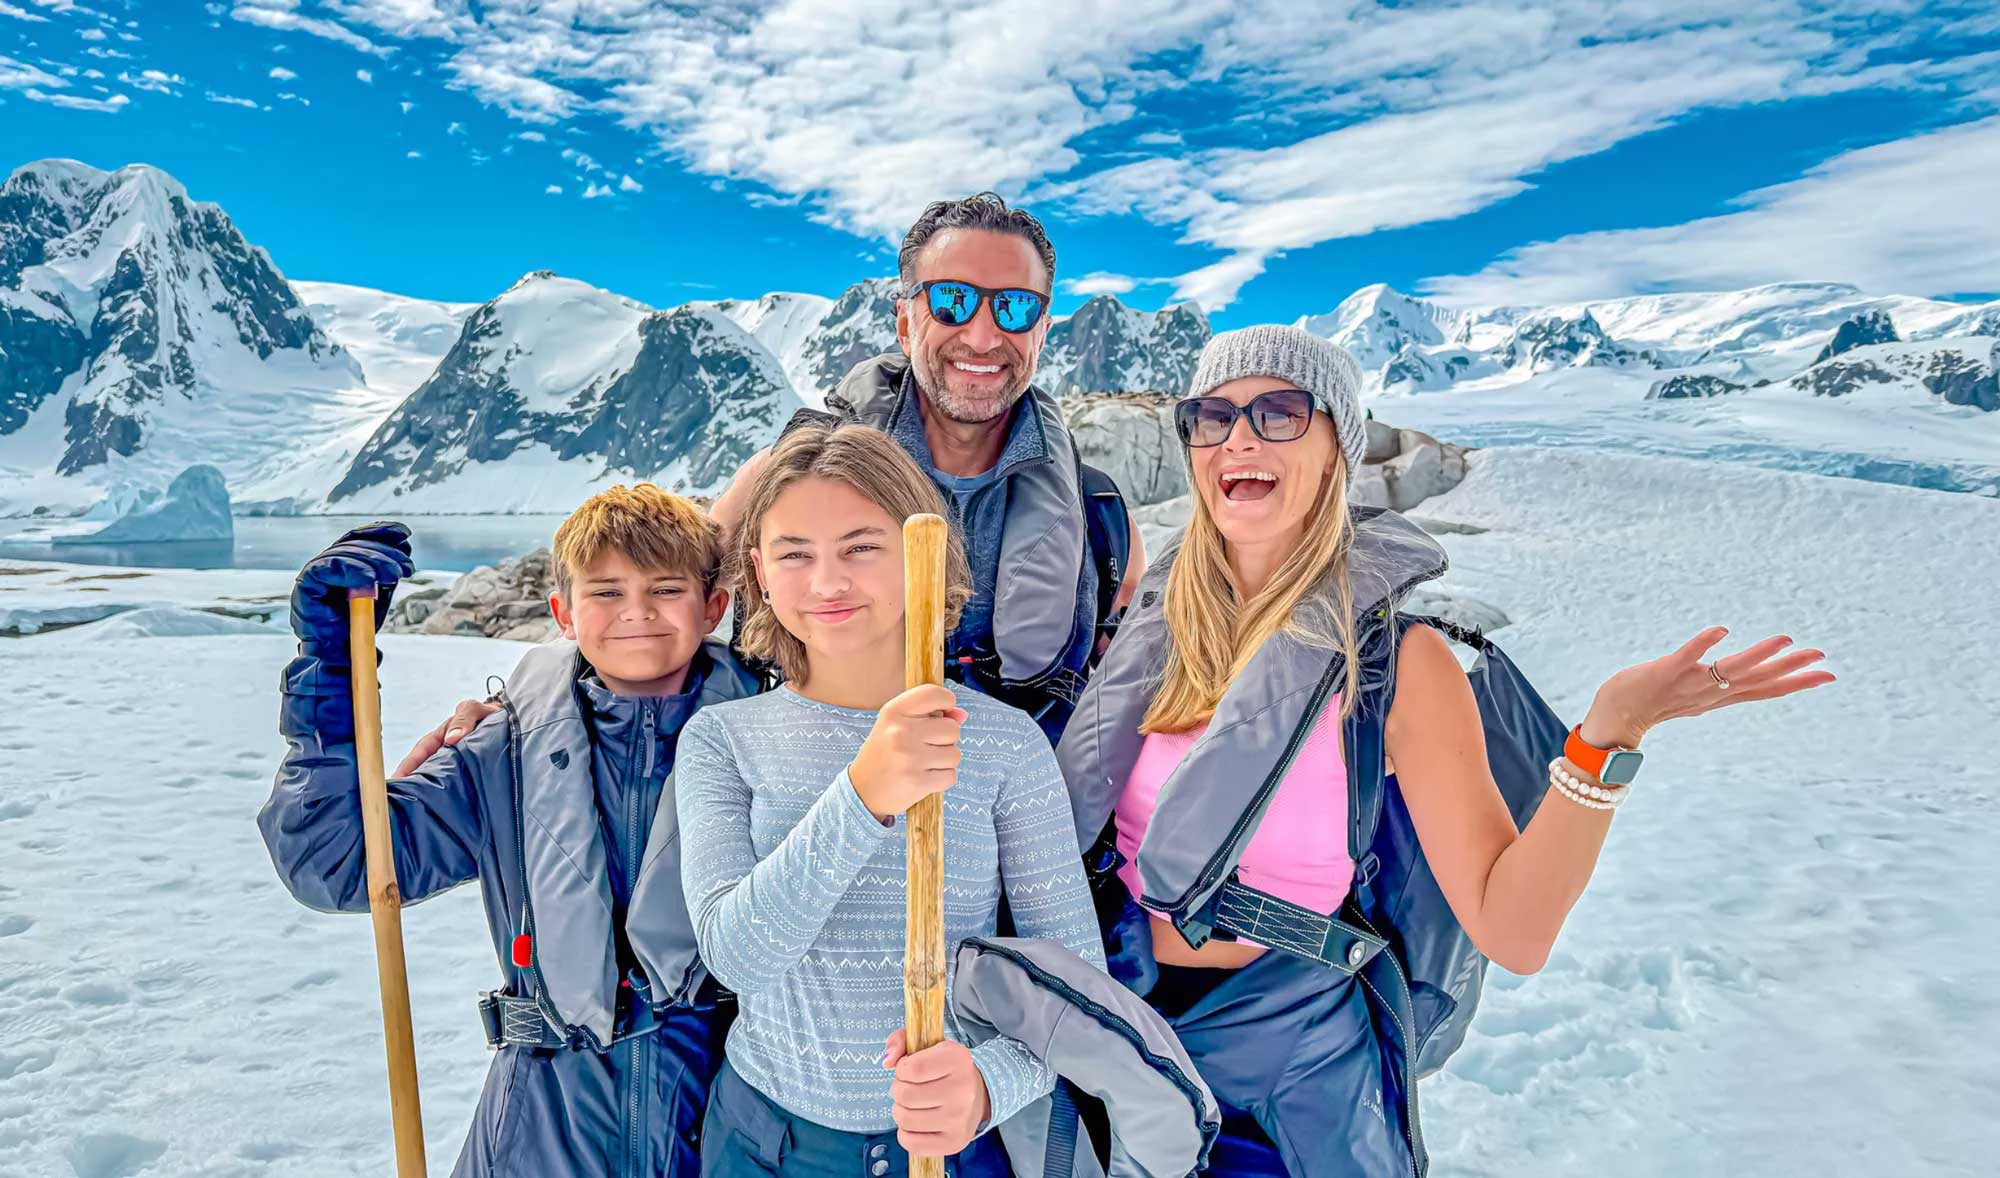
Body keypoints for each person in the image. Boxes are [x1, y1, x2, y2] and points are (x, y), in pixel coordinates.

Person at [1058, 326, 1835, 1176]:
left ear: (1336, 452)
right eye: (1212, 416)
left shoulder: (1398, 664)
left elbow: (1514, 930)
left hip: (1288, 1079)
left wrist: (1610, 735)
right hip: (1117, 1034)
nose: (1239, 437)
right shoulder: (1154, 625)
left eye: (1280, 412)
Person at [257, 486, 761, 1177]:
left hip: (723, 1128)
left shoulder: (770, 736)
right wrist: (331, 669)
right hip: (541, 1137)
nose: (637, 613)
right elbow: (335, 861)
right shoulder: (503, 754)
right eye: (606, 592)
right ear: (562, 613)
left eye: (665, 588)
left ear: (713, 607)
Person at [660, 422, 1106, 1176]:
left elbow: (1074, 989)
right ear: (760, 573)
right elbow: (737, 958)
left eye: (861, 547)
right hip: (761, 1143)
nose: (827, 583)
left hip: (948, 1153)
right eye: (794, 554)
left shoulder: (1002, 744)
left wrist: (986, 1087)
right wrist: (865, 793)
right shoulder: (721, 740)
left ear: (920, 553)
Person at [712, 193, 1143, 742]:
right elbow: (664, 623)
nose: (983, 338)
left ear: (1042, 330)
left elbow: (1122, 693)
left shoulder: (1099, 518)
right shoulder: (785, 480)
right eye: (951, 302)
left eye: (1015, 307)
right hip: (828, 795)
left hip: (1017, 807)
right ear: (905, 321)